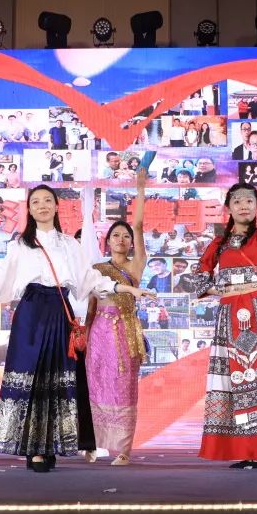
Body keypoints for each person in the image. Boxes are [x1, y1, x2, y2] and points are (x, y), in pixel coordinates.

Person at [0, 185, 154, 472]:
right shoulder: (19, 245)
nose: (42, 206)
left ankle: (50, 445)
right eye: (36, 202)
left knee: (57, 380)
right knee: (32, 377)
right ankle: (34, 449)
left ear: (56, 206)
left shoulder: (69, 244)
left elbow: (90, 280)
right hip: (31, 313)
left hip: (59, 312)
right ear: (29, 209)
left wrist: (126, 288)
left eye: (47, 201)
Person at [191, 144, 257, 470]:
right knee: (238, 380)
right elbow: (199, 278)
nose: (243, 205)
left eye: (249, 201)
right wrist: (221, 289)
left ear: (256, 207)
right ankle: (250, 449)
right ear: (228, 207)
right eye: (237, 200)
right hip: (231, 318)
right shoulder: (218, 244)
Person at [85, 170, 149, 466]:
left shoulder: (136, 266)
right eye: (116, 235)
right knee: (94, 384)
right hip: (98, 331)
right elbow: (91, 306)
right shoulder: (97, 269)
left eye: (126, 236)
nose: (121, 239)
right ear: (107, 241)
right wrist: (84, 335)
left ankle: (124, 450)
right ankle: (91, 444)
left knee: (123, 387)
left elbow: (138, 224)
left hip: (125, 332)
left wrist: (140, 189)